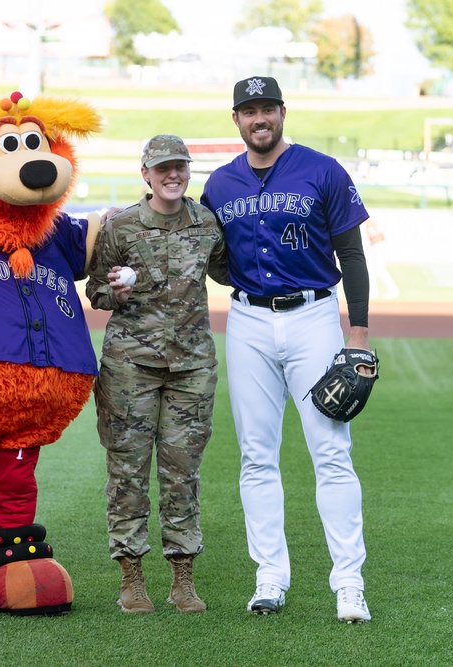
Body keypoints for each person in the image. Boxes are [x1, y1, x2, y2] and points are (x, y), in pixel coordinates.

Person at [200, 76, 375, 623]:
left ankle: (349, 583)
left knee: (331, 451)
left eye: (268, 109)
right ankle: (270, 577)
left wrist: (359, 336)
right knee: (256, 455)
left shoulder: (322, 170)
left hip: (315, 317)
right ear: (236, 119)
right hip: (248, 319)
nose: (260, 119)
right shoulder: (219, 184)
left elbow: (352, 254)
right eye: (249, 110)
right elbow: (207, 256)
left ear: (282, 112)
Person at [86, 134, 229, 614]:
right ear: (145, 173)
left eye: (180, 167)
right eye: (163, 167)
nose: (173, 175)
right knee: (127, 470)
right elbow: (97, 293)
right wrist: (115, 295)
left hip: (191, 367)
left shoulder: (207, 223)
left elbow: (229, 270)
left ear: (189, 172)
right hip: (131, 366)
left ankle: (182, 579)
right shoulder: (121, 226)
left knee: (182, 472)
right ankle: (131, 578)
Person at [362, 218, 400, 299]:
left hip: (377, 247)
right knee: (371, 270)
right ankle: (373, 292)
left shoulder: (370, 224)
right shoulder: (369, 224)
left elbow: (378, 237)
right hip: (375, 247)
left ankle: (393, 290)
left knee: (380, 270)